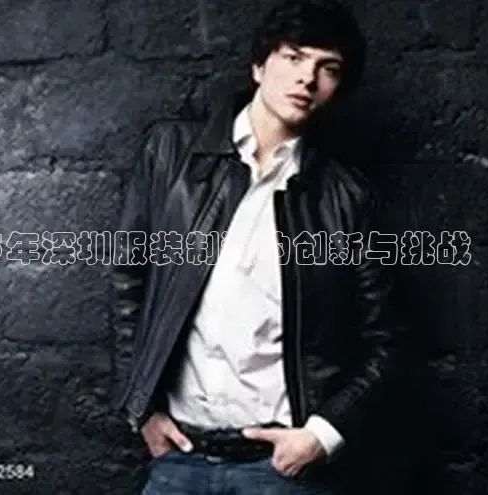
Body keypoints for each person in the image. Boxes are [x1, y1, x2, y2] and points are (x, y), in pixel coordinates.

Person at [110, 0, 410, 493]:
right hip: (178, 458)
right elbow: (128, 283)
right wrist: (139, 407)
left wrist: (322, 435)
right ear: (258, 66)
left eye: (328, 68)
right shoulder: (171, 155)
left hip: (278, 469)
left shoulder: (346, 198)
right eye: (294, 57)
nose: (307, 78)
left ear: (337, 90)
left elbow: (388, 338)